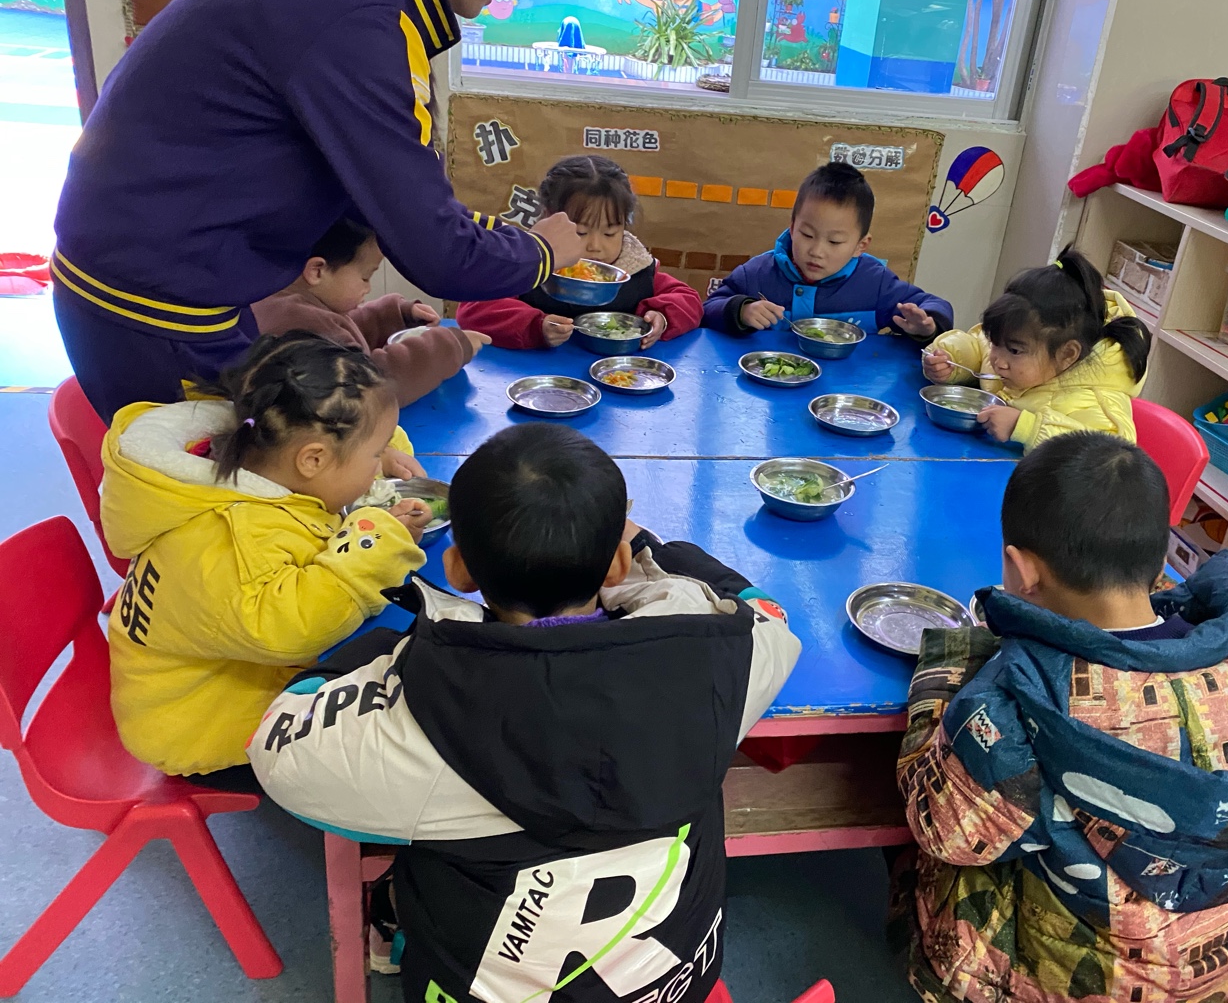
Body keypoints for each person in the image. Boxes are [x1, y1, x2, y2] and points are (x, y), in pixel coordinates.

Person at [250, 423, 802, 1003]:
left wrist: (387, 653)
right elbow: (762, 612)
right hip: (675, 987)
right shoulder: (728, 662)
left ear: (459, 570)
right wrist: (650, 551)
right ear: (616, 566)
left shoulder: (420, 722)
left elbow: (278, 746)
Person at [891, 432, 1228, 1003]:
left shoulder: (1021, 700)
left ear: (1019, 569)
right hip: (1222, 968)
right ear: (1159, 564)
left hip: (1074, 981)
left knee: (951, 843)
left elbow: (947, 833)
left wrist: (944, 681)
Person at [50, 0, 589, 423]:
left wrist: (507, 239)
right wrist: (540, 253)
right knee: (242, 488)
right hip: (155, 314)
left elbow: (403, 202)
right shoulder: (360, 12)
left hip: (145, 291)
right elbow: (436, 251)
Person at [101, 333, 431, 787]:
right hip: (204, 729)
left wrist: (378, 455)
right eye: (374, 455)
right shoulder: (235, 540)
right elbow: (297, 627)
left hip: (217, 680)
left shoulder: (250, 465)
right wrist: (379, 539)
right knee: (399, 746)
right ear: (313, 459)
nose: (378, 466)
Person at [456, 155, 703, 349]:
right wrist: (536, 326)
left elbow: (689, 300)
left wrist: (661, 317)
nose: (595, 246)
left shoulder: (635, 267)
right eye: (581, 232)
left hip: (617, 378)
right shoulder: (529, 262)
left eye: (609, 233)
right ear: (549, 219)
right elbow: (473, 308)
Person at [923, 247, 1150, 451]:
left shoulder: (1095, 401)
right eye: (995, 343)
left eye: (1014, 351)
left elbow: (1111, 457)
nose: (997, 360)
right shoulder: (1013, 351)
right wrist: (951, 360)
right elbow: (977, 343)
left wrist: (1026, 428)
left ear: (1067, 354)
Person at [702, 162, 953, 342]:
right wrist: (741, 311)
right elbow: (708, 309)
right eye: (807, 235)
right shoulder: (758, 273)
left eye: (834, 241)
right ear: (792, 228)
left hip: (847, 392)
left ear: (860, 246)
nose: (816, 251)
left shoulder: (875, 283)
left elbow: (935, 305)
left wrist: (926, 327)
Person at [253, 218, 491, 407]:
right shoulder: (300, 322)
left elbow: (338, 335)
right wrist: (448, 347)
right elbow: (372, 385)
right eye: (365, 277)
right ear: (317, 270)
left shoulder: (281, 298)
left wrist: (390, 316)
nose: (368, 288)